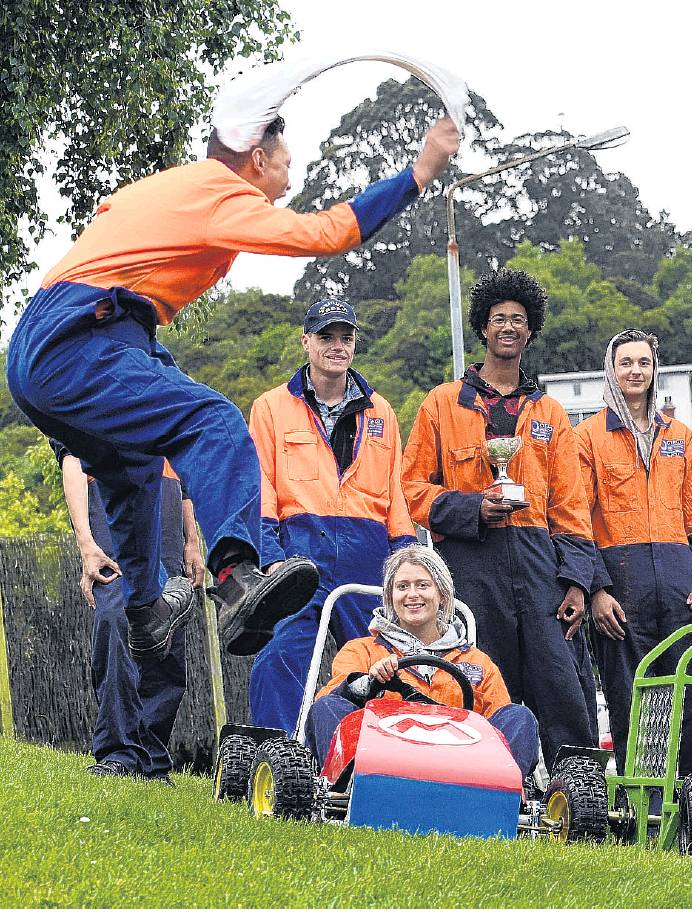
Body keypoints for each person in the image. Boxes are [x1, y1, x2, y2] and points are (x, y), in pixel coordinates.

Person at [6, 111, 458, 663]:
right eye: (287, 166)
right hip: (81, 333)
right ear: (258, 159)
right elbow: (326, 233)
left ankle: (146, 610)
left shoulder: (172, 189)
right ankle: (237, 577)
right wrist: (420, 173)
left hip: (56, 347)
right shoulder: (221, 192)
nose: (288, 183)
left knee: (134, 471)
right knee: (213, 420)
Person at [401, 268, 597, 762]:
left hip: (538, 566)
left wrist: (576, 580)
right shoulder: (441, 404)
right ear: (483, 330)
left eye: (518, 320)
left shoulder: (549, 412)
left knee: (559, 682)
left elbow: (571, 506)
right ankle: (480, 779)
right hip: (469, 564)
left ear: (530, 332)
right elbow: (412, 489)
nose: (508, 327)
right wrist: (472, 508)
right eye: (498, 319)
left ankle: (575, 789)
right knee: (478, 677)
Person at [246, 298, 416, 733]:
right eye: (326, 337)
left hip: (369, 558)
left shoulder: (382, 411)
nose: (337, 346)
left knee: (383, 663)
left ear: (356, 344)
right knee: (281, 653)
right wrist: (269, 553)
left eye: (346, 337)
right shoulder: (270, 408)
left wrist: (408, 559)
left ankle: (377, 763)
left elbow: (394, 491)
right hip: (298, 556)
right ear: (306, 342)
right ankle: (275, 755)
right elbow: (260, 483)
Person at [572, 329, 692, 775]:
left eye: (644, 362)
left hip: (681, 586)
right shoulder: (587, 437)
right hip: (620, 589)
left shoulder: (680, 436)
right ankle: (646, 803)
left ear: (655, 370)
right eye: (626, 363)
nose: (635, 371)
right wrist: (596, 590)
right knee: (631, 694)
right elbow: (576, 519)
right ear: (611, 371)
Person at [308, 545, 541, 777]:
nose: (412, 595)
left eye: (422, 585)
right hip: (381, 761)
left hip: (461, 767)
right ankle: (349, 787)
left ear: (441, 593)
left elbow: (501, 722)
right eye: (402, 587)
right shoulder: (362, 650)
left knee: (519, 717)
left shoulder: (477, 662)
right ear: (390, 597)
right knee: (327, 706)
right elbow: (329, 703)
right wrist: (369, 682)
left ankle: (499, 794)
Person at [57, 443, 204, 781]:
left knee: (167, 631)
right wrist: (86, 545)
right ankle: (119, 754)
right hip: (108, 514)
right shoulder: (82, 396)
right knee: (113, 619)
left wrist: (191, 541)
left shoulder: (164, 393)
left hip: (164, 512)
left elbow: (182, 473)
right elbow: (73, 462)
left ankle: (152, 760)